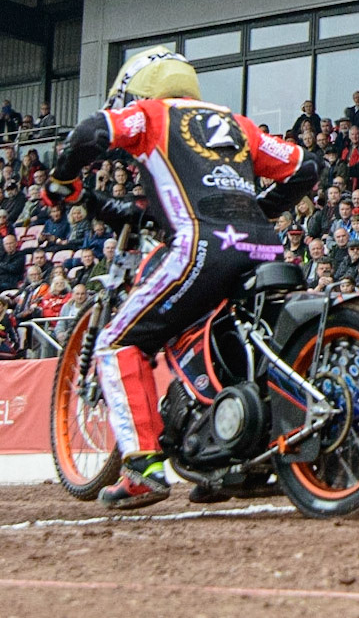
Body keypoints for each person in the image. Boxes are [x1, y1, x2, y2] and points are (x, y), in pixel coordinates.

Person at [41, 47, 317, 510]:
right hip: (263, 243)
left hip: (201, 245)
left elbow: (91, 131)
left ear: (136, 89)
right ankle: (223, 455)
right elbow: (307, 168)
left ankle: (142, 469)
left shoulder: (149, 116)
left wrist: (63, 180)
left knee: (116, 342)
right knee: (215, 336)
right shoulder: (236, 123)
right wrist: (255, 212)